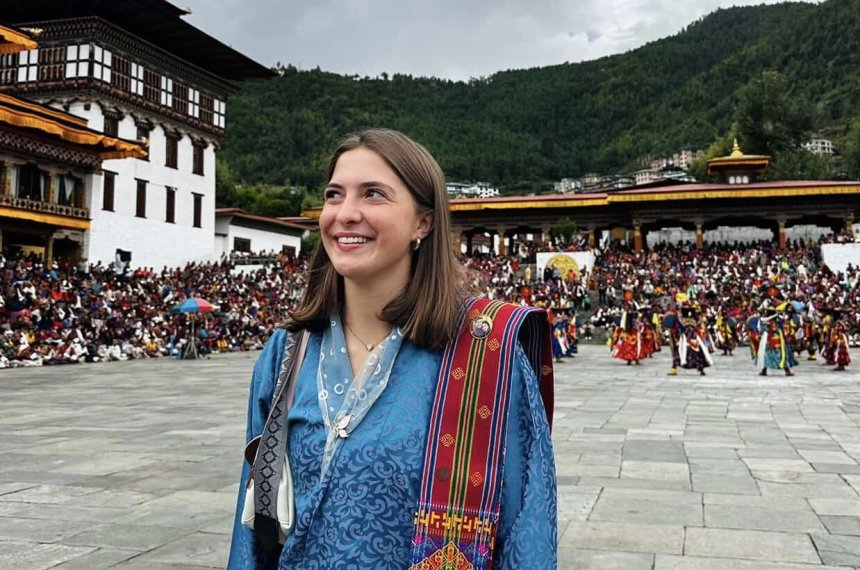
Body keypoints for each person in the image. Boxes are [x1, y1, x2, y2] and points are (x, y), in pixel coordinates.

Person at [228, 129, 556, 569]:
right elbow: (253, 528)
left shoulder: (487, 353)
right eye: (334, 195)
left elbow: (526, 529)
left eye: (373, 194)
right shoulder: (286, 352)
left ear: (424, 222)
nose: (346, 213)